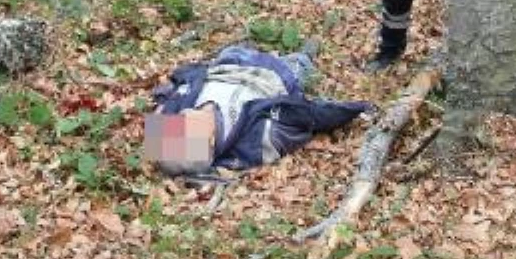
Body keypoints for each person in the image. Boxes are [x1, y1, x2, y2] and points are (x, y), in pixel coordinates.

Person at [143, 43, 371, 176]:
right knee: (302, 61)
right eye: (187, 126)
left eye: (178, 124)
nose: (183, 116)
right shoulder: (257, 137)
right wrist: (356, 108)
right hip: (274, 75)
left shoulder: (180, 110)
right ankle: (309, 49)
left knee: (235, 47)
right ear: (210, 141)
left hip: (229, 62)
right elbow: (308, 116)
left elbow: (173, 91)